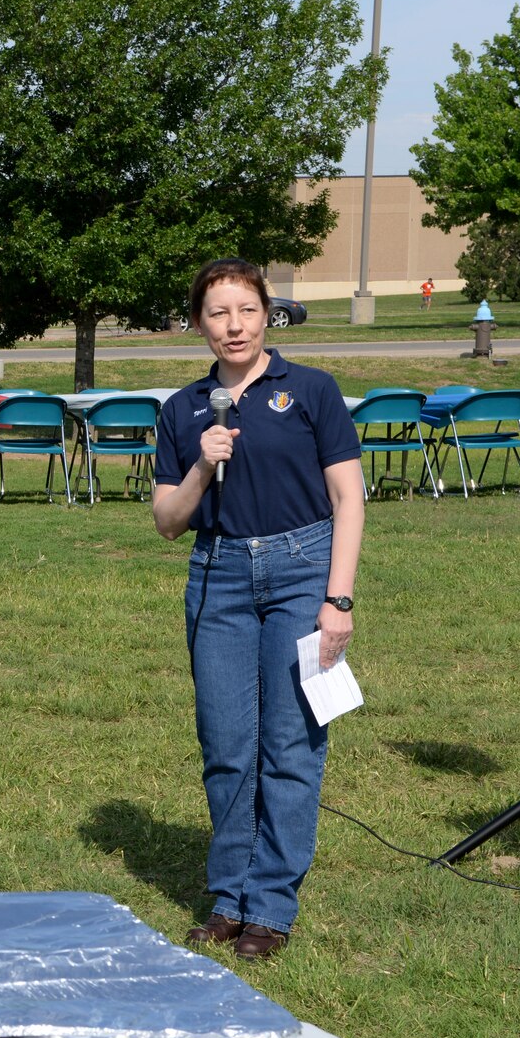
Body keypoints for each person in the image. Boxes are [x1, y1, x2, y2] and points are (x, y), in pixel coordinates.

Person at [152, 257, 364, 960]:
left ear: (267, 313)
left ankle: (271, 905)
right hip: (219, 575)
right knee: (227, 746)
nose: (233, 325)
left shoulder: (309, 390)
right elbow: (167, 520)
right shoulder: (183, 410)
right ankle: (229, 899)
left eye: (246, 309)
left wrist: (338, 599)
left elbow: (348, 500)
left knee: (292, 744)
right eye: (218, 313)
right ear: (198, 324)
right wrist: (202, 463)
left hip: (303, 569)